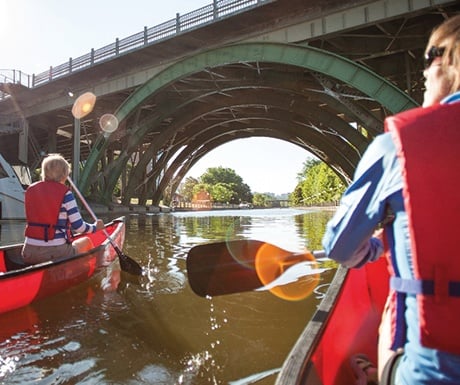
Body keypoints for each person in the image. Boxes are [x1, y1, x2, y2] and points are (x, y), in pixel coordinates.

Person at [322, 15, 460, 385]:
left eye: (430, 56)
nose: (424, 73)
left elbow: (338, 247)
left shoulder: (397, 147)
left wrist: (375, 249)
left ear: (449, 61)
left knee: (391, 308)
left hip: (435, 373)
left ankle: (377, 374)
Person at [21, 153, 104, 265]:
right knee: (86, 242)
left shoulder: (30, 190)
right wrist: (95, 228)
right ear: (65, 175)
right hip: (54, 252)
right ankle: (93, 270)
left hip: (28, 252)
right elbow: (78, 227)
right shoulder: (66, 194)